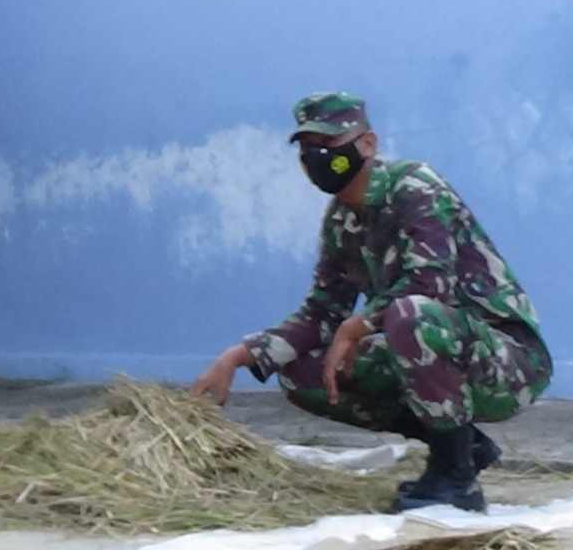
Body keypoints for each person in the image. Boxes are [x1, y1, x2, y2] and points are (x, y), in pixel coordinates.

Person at [190, 92, 553, 513]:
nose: (319, 156)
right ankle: (461, 446)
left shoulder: (415, 186)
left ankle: (456, 480)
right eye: (308, 148)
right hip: (431, 353)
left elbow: (429, 284)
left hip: (507, 362)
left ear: (367, 144)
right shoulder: (340, 222)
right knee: (302, 372)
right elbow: (322, 312)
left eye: (329, 142)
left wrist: (357, 326)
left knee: (409, 315)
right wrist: (239, 355)